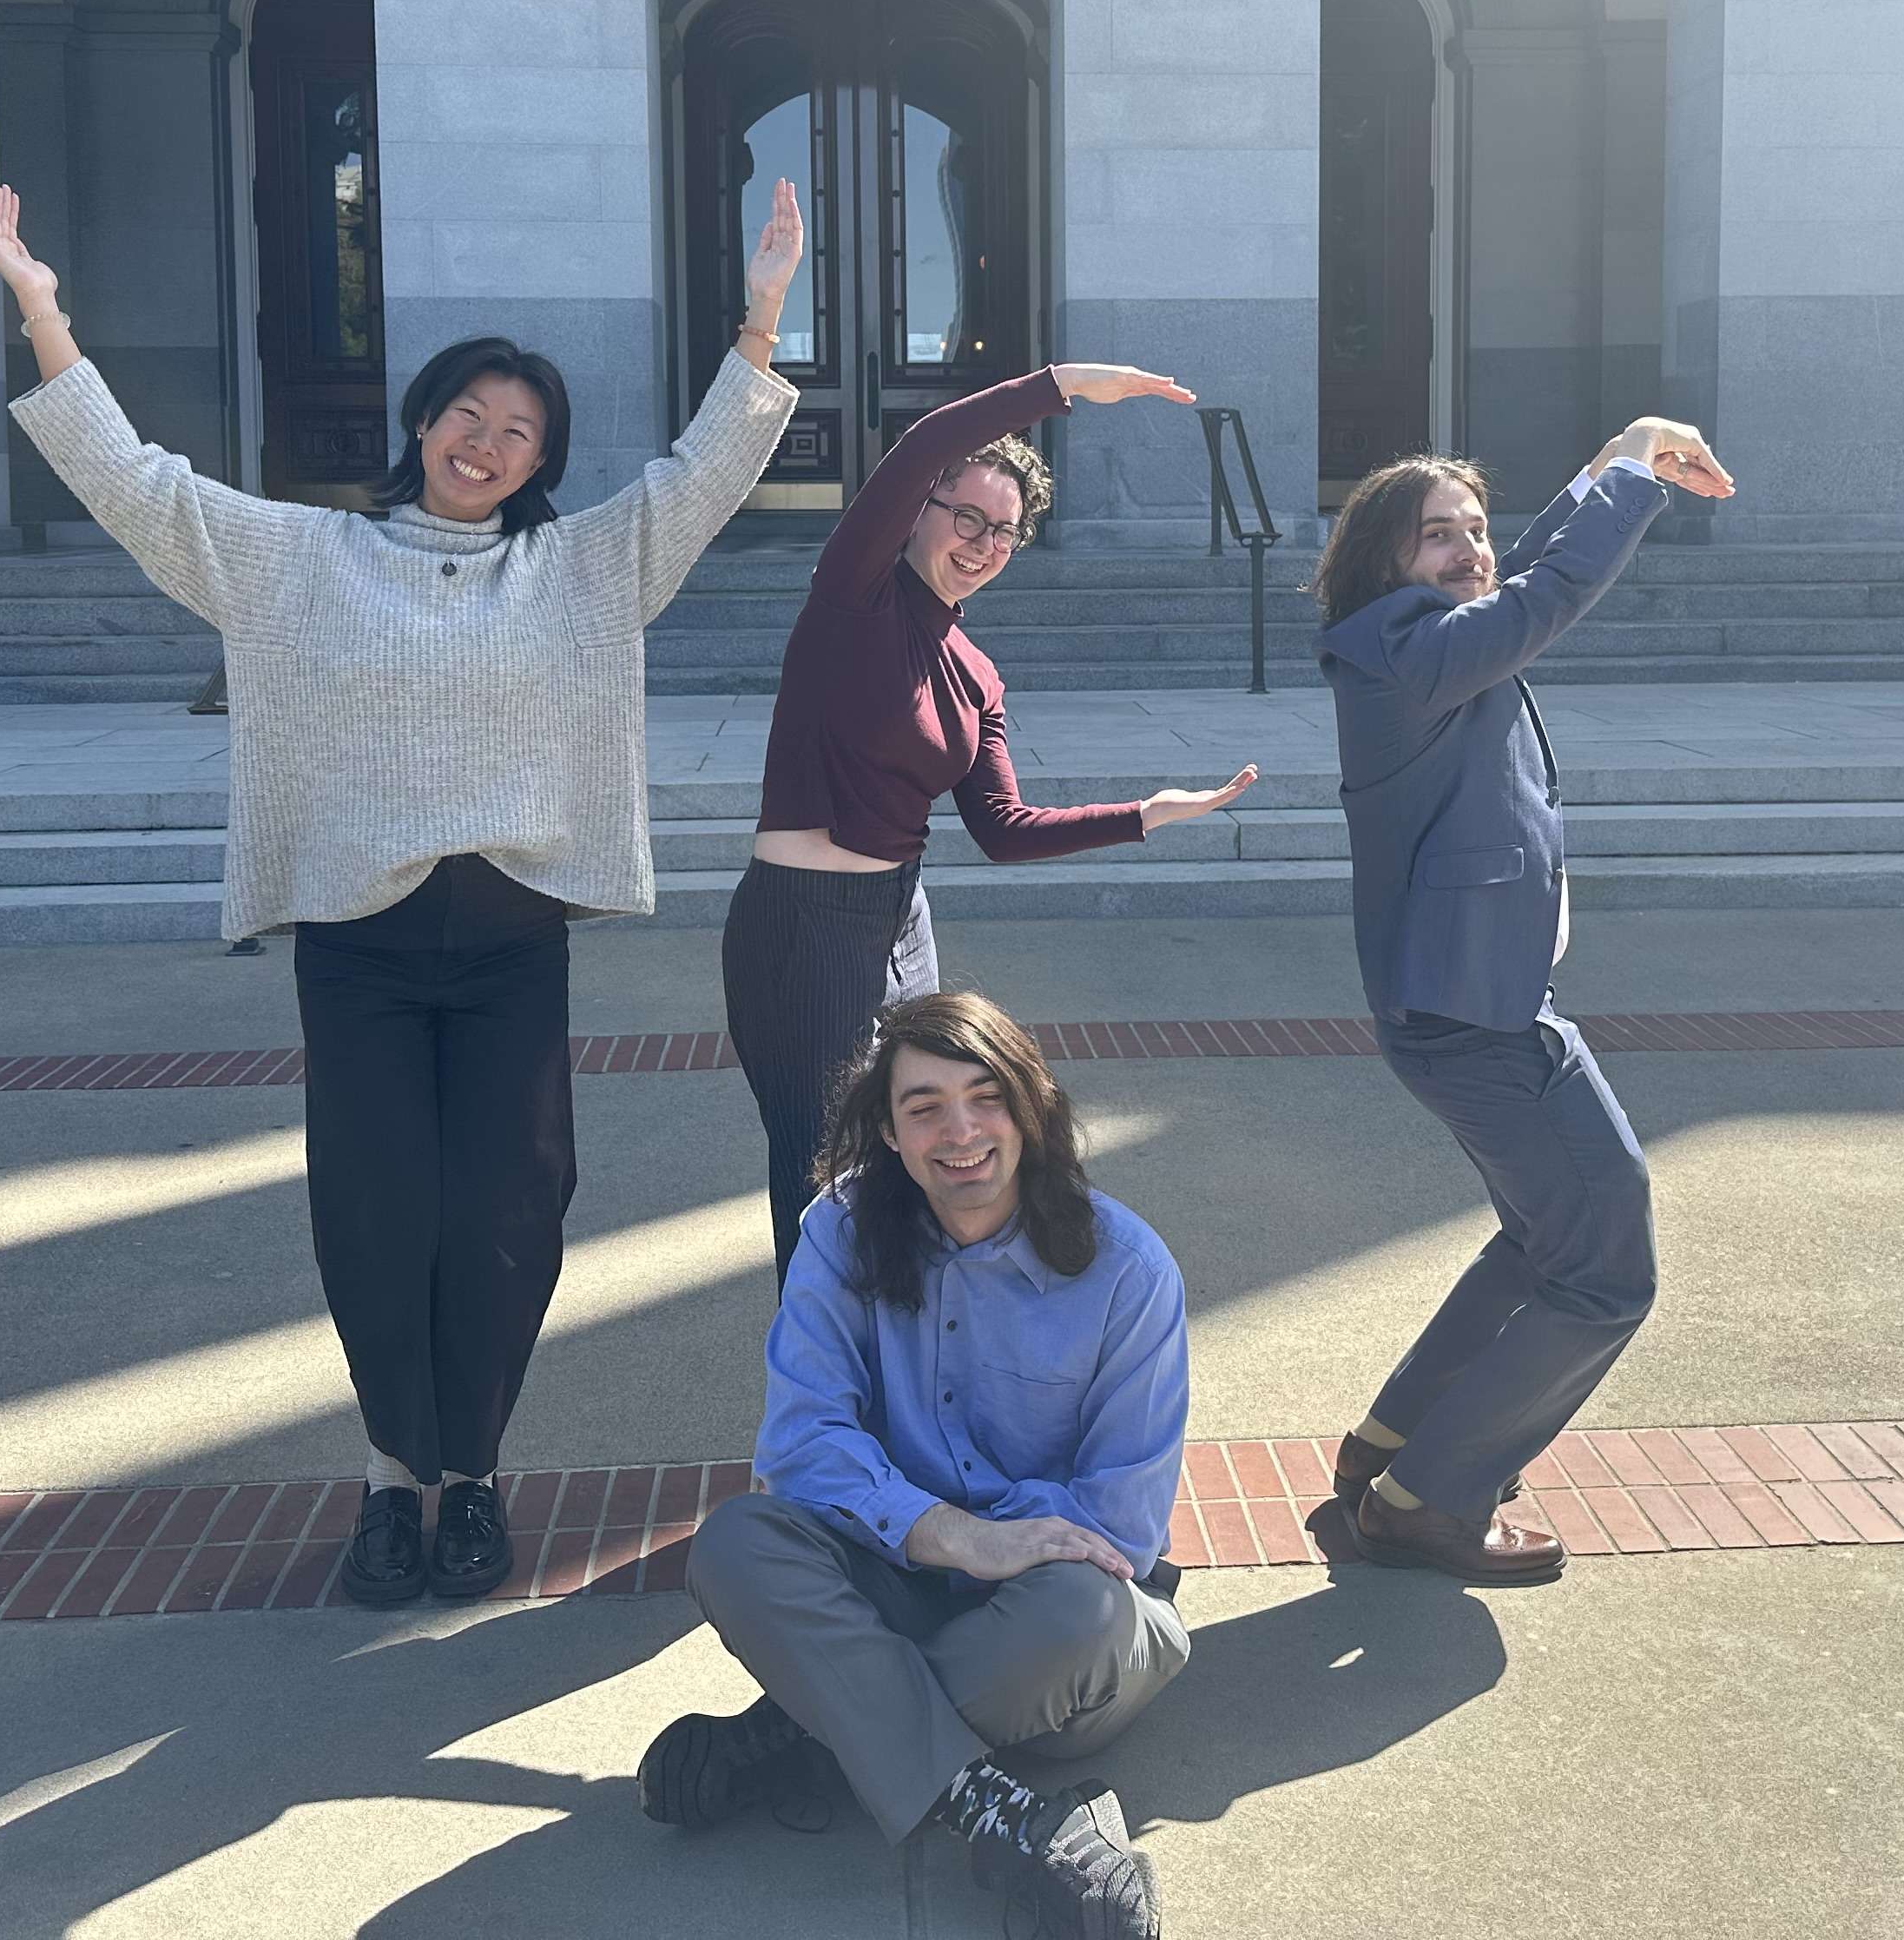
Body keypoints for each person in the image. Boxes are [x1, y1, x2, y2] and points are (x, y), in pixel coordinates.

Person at [0, 178, 803, 1610]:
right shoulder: (305, 556)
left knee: (507, 1206)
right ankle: (390, 1480)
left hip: (509, 940)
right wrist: (39, 306)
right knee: (376, 1210)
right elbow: (136, 485)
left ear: (541, 457)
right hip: (358, 943)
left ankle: (471, 1473)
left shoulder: (580, 565)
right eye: (467, 416)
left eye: (519, 431)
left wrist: (761, 315)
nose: (487, 446)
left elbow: (701, 475)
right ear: (420, 421)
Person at [650, 990, 1187, 1940]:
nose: (961, 1131)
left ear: (1032, 1109)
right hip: (899, 1574)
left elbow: (1122, 1531)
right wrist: (948, 1534)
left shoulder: (1129, 1272)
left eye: (986, 1097)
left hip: (1054, 1631)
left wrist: (1003, 1541)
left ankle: (808, 1732)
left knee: (1084, 1610)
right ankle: (1001, 1817)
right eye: (923, 1107)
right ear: (889, 1134)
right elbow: (801, 1441)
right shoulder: (839, 1229)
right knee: (735, 1543)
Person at [1309, 417, 1734, 1583]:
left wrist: (1606, 461)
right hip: (1474, 1019)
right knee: (1606, 1267)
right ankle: (1426, 1505)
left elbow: (1515, 577)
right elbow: (1538, 600)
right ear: (1382, 562)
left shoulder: (1428, 633)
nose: (1467, 549)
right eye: (1435, 535)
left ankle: (1393, 1452)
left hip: (1481, 1001)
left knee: (1550, 1236)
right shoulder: (1403, 648)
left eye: (1474, 529)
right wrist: (1637, 484)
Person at [724, 368, 1258, 1276]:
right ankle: (822, 1393)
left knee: (913, 1165)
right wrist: (1063, 385)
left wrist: (1144, 815)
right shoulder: (854, 597)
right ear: (920, 510)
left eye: (1005, 531)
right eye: (965, 516)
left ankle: (916, 1373)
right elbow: (928, 441)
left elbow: (1003, 827)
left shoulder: (974, 668)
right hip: (803, 926)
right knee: (826, 1181)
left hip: (903, 921)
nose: (982, 542)